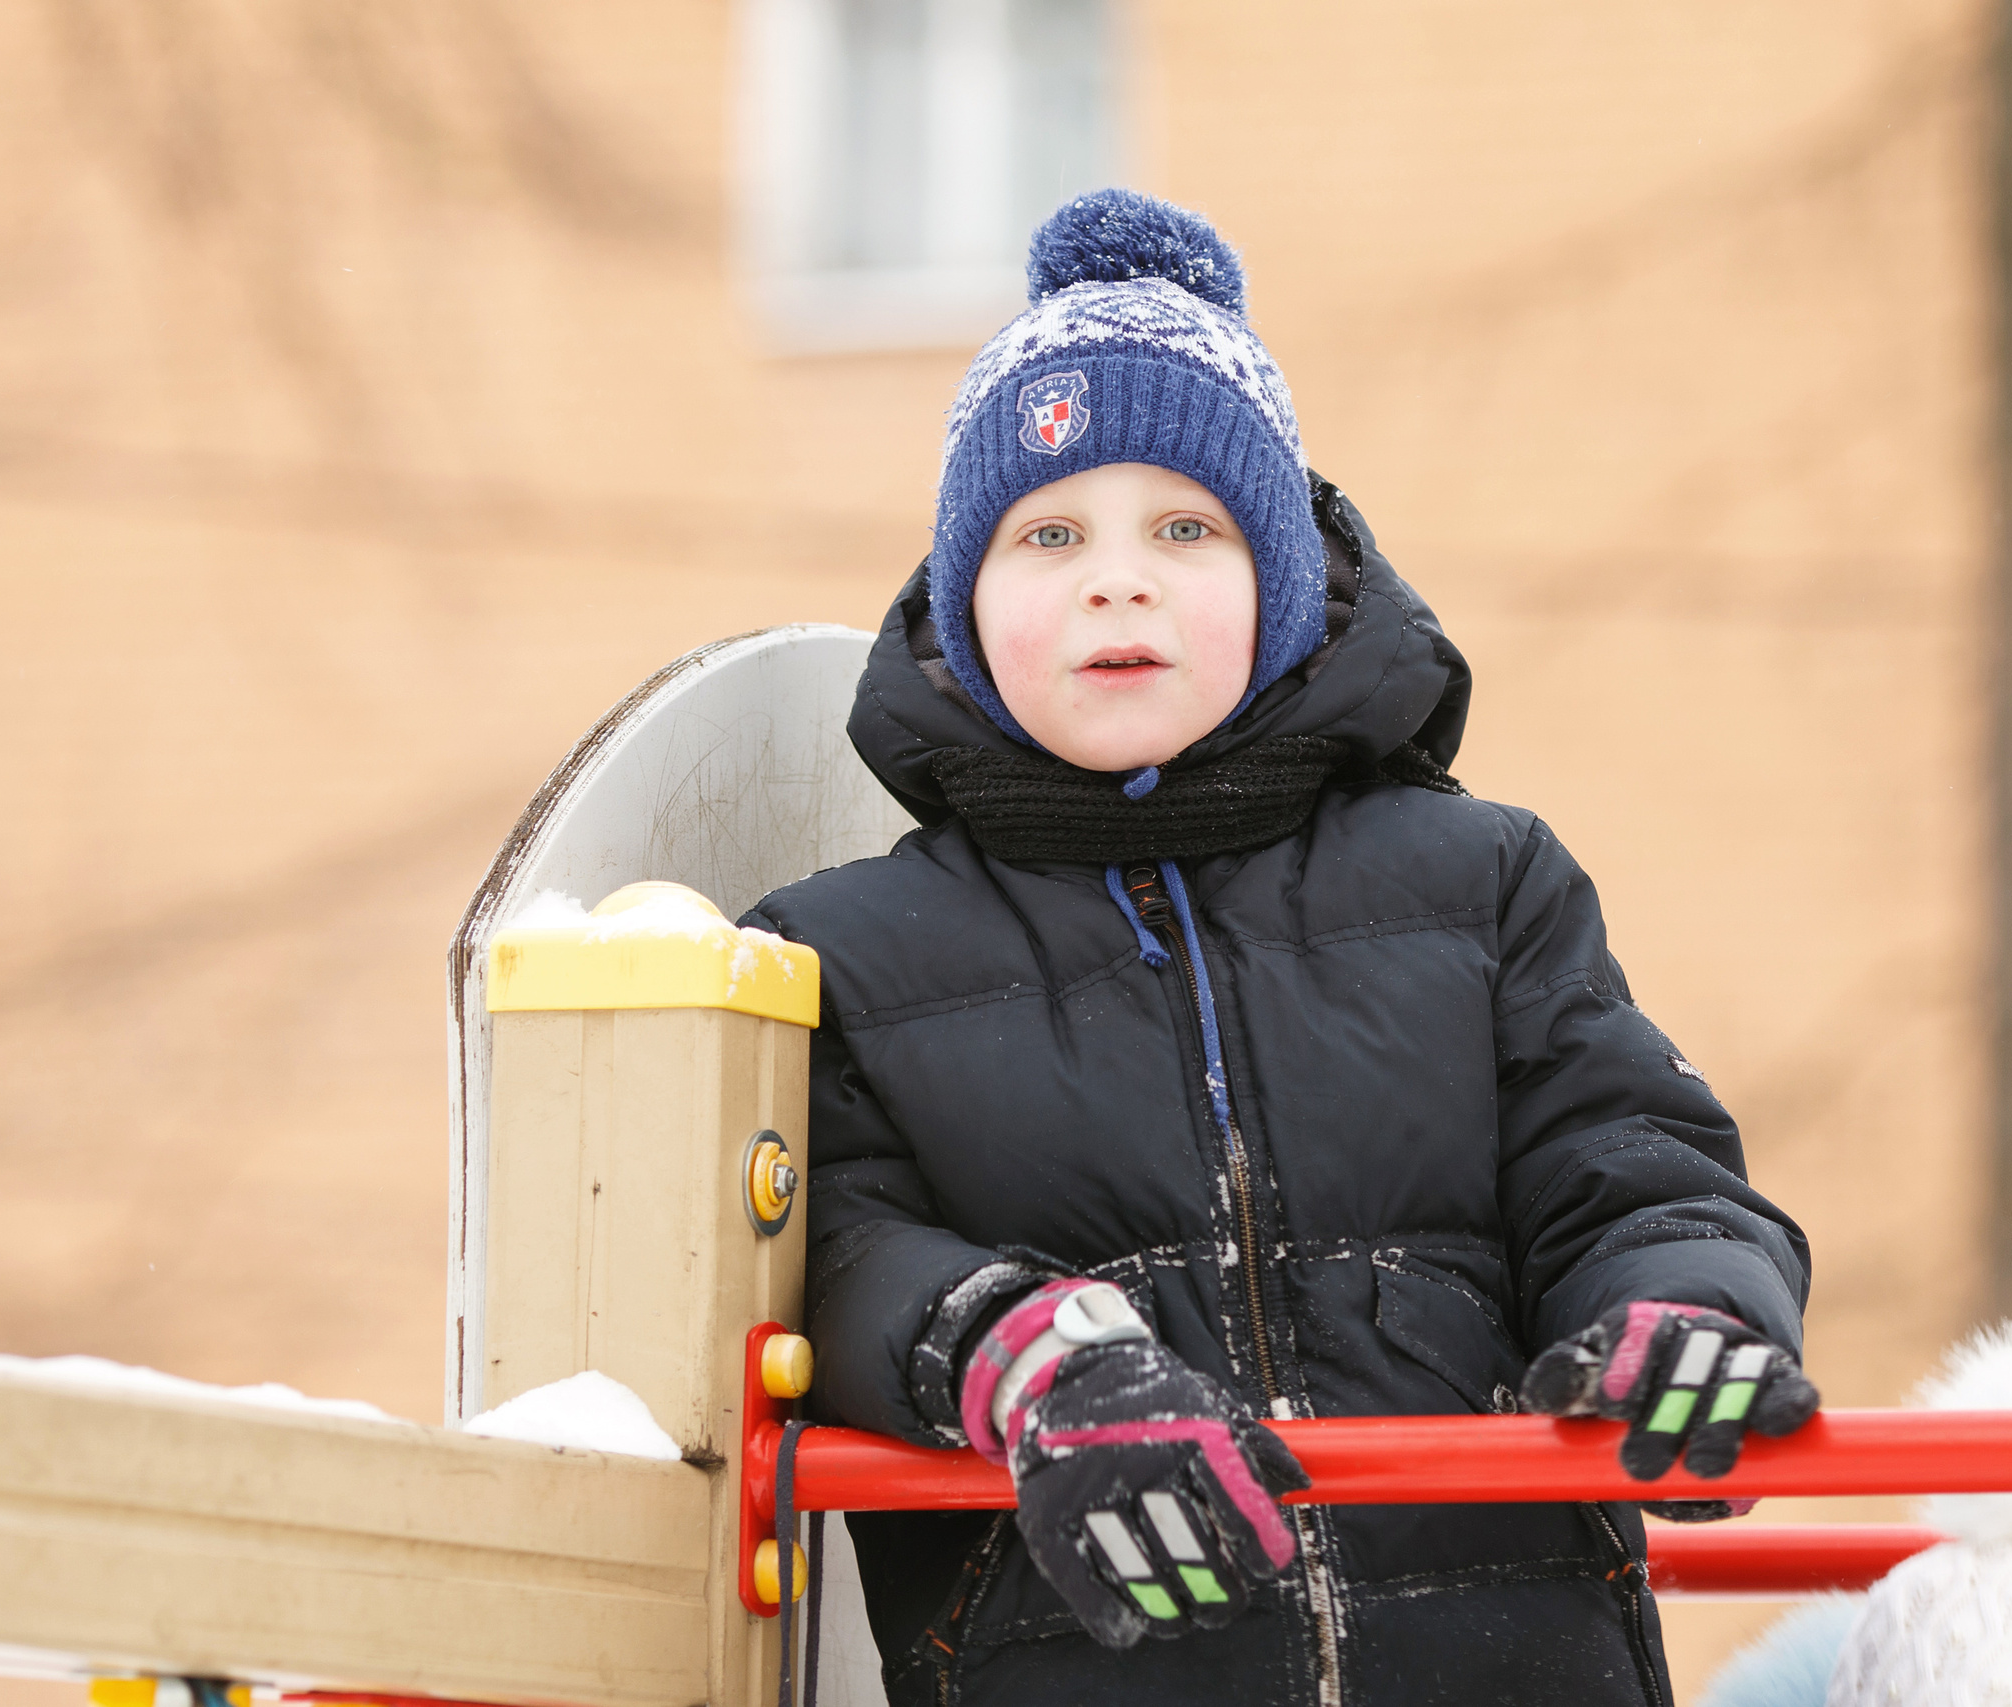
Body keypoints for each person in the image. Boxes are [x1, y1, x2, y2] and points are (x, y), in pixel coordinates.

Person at [744, 189, 1816, 1707]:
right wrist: (1036, 1362)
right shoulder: (847, 954)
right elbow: (841, 1256)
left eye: (1187, 527)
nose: (1118, 576)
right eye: (1049, 533)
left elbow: (1626, 1160)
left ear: (1285, 583)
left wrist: (1685, 1310)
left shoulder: (1479, 880)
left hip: (1504, 1664)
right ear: (966, 606)